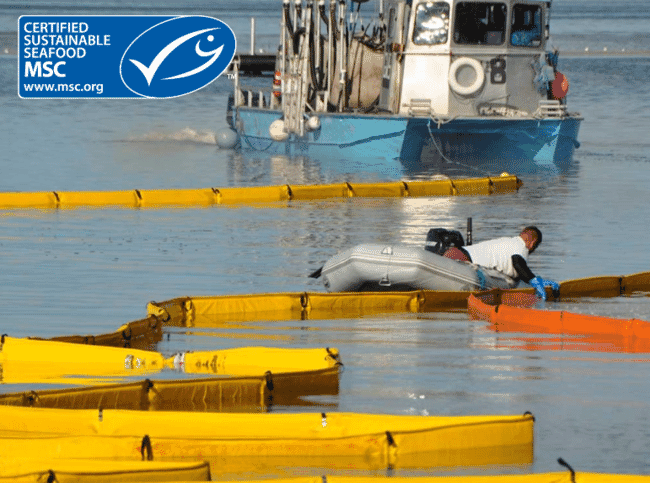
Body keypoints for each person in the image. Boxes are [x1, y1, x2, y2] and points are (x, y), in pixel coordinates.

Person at [442, 226, 559, 300]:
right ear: (533, 243)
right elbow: (518, 263)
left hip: (452, 253)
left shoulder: (507, 242)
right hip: (462, 261)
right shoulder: (521, 246)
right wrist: (534, 281)